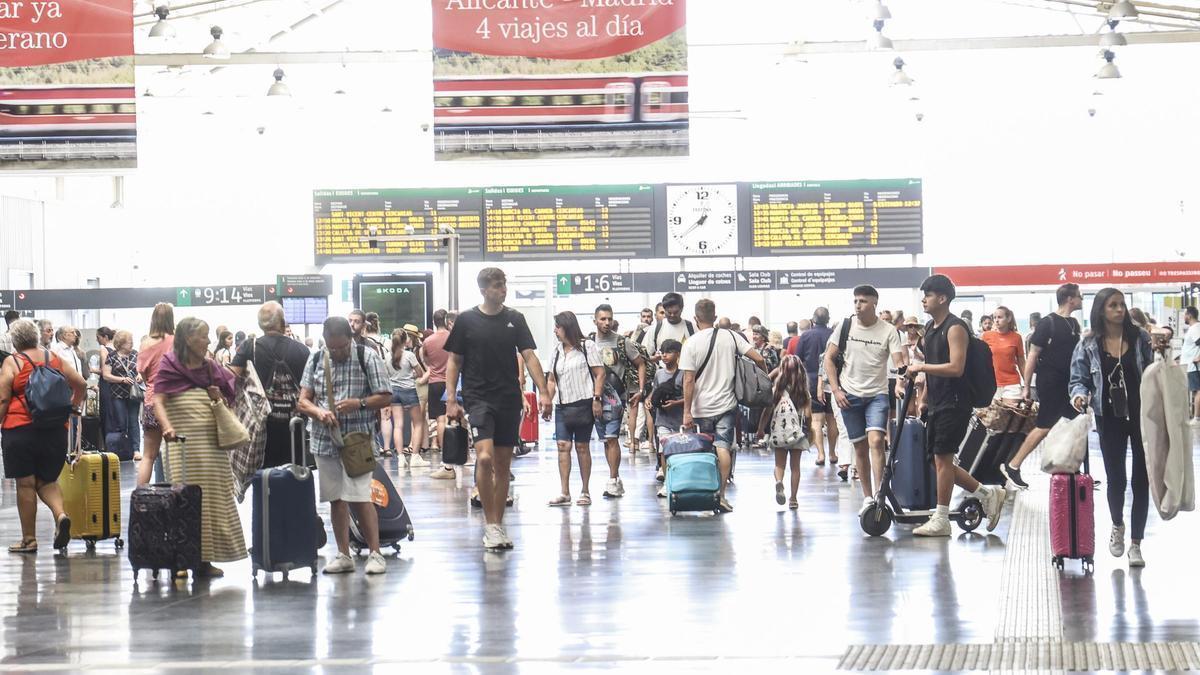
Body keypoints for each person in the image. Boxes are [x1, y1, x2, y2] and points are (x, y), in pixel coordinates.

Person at [446, 268, 551, 550]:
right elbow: (454, 361)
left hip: (508, 399)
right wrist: (451, 400)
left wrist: (543, 392)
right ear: (483, 290)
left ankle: (497, 525)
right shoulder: (467, 320)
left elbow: (529, 356)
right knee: (484, 458)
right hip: (478, 397)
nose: (502, 290)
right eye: (496, 286)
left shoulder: (515, 319)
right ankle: (490, 525)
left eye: (503, 284)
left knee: (503, 464)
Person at [907, 275, 1007, 537]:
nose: (924, 299)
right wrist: (924, 397)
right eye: (923, 295)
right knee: (936, 460)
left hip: (956, 403)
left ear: (943, 298)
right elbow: (933, 368)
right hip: (938, 401)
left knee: (942, 458)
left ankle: (941, 518)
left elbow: (955, 367)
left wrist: (920, 367)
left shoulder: (955, 328)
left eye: (928, 295)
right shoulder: (929, 329)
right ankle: (987, 493)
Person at [151, 317, 248, 578]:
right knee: (183, 500)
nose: (207, 341)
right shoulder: (170, 365)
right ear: (188, 339)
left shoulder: (210, 367)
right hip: (182, 444)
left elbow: (228, 396)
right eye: (203, 336)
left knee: (212, 500)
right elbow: (158, 400)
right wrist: (167, 427)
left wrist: (216, 397)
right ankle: (182, 559)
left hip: (211, 445)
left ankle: (204, 560)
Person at [297, 316, 392, 574]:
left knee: (361, 496)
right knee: (335, 499)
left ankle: (375, 553)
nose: (337, 352)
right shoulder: (316, 358)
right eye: (332, 347)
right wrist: (318, 412)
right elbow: (303, 400)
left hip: (358, 441)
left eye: (341, 347)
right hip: (323, 440)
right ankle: (343, 553)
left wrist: (358, 403)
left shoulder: (367, 356)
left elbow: (385, 396)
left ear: (350, 338)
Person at [1069, 288, 1153, 567]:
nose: (1120, 310)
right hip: (1109, 418)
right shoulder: (1089, 343)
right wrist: (1080, 394)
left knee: (1142, 479)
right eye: (1113, 305)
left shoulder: (1139, 338)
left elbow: (1153, 371)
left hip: (1143, 416)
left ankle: (1137, 544)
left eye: (1122, 305)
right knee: (1116, 478)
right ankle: (1117, 524)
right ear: (1101, 310)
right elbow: (1078, 378)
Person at [0, 319, 87, 553]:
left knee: (26, 484)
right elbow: (81, 383)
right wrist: (73, 407)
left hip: (20, 429)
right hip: (55, 429)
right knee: (47, 480)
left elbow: (4, 398)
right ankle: (60, 516)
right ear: (36, 336)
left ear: (15, 341)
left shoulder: (13, 361)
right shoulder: (54, 359)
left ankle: (29, 539)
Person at [823, 286, 907, 512]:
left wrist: (901, 380)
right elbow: (829, 360)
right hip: (849, 395)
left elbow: (900, 362)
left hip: (877, 395)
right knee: (859, 448)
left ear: (874, 304)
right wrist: (836, 390)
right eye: (855, 301)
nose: (858, 305)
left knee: (877, 441)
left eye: (863, 301)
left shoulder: (889, 331)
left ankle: (881, 495)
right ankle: (868, 498)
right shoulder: (845, 326)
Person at [680, 299, 767, 513]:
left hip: (701, 408)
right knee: (723, 447)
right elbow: (758, 358)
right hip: (727, 404)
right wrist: (757, 378)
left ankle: (706, 493)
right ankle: (721, 495)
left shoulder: (690, 343)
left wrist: (686, 412)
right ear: (715, 317)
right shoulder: (730, 336)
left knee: (706, 451)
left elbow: (688, 380)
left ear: (695, 318)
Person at [1001, 284, 1085, 489]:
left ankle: (1071, 468)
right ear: (1069, 299)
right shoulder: (1048, 323)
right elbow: (1032, 355)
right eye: (1079, 296)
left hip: (1069, 383)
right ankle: (1013, 465)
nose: (1081, 299)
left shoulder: (1074, 323)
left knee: (1072, 424)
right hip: (1051, 382)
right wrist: (1026, 386)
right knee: (1044, 425)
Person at [229, 301, 313, 468]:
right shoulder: (302, 350)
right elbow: (312, 390)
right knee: (294, 472)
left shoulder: (249, 347)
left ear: (261, 324)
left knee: (264, 476)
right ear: (282, 322)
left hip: (261, 426)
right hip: (294, 425)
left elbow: (230, 379)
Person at [545, 311, 604, 507]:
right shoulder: (556, 351)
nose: (555, 330)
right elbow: (552, 380)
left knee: (582, 447)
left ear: (567, 327)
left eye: (557, 326)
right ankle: (564, 492)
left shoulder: (587, 346)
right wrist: (546, 400)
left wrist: (597, 398)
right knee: (563, 446)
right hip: (562, 406)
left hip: (584, 404)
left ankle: (585, 491)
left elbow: (600, 373)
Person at [592, 304, 645, 497]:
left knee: (612, 439)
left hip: (616, 399)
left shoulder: (622, 342)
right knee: (606, 440)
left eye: (609, 318)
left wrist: (639, 389)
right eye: (603, 319)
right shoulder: (589, 343)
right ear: (595, 320)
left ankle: (613, 479)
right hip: (595, 399)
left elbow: (640, 363)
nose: (607, 322)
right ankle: (614, 478)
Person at [757, 354, 812, 510]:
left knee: (779, 465)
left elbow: (767, 412)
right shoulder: (803, 392)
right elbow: (808, 415)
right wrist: (810, 430)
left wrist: (761, 428)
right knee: (795, 467)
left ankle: (779, 482)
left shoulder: (776, 390)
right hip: (797, 434)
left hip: (779, 433)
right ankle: (793, 499)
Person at [136, 303, 175, 486]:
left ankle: (140, 495)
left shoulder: (145, 343)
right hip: (174, 402)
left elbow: (142, 374)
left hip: (152, 400)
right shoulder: (177, 341)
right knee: (175, 454)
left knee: (148, 455)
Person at [798, 307, 837, 467]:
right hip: (832, 380)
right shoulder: (834, 335)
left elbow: (798, 358)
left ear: (813, 320)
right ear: (828, 320)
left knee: (816, 419)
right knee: (832, 418)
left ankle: (820, 454)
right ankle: (833, 453)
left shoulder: (806, 335)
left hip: (811, 380)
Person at [387, 329, 429, 469]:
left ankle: (400, 457)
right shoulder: (409, 355)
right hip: (409, 391)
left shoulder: (387, 356)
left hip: (394, 392)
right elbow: (420, 373)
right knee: (417, 423)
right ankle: (415, 456)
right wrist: (410, 375)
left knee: (398, 425)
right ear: (405, 340)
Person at [424, 310, 459, 479]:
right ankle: (461, 455)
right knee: (454, 420)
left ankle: (446, 459)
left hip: (434, 382)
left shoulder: (428, 341)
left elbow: (426, 360)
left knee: (440, 419)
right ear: (446, 320)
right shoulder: (453, 337)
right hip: (452, 382)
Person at [648, 339, 685, 498]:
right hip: (662, 419)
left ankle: (681, 481)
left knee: (680, 451)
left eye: (668, 352)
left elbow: (691, 396)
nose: (664, 355)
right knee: (664, 450)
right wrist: (650, 400)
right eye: (662, 352)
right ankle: (667, 482)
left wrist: (676, 403)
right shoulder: (659, 373)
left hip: (680, 419)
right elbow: (655, 391)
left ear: (677, 354)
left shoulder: (684, 374)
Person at [102, 330, 142, 461]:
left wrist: (140, 376)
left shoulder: (136, 354)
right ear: (122, 343)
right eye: (129, 341)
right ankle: (124, 449)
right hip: (118, 394)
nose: (132, 343)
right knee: (121, 422)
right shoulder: (112, 356)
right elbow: (106, 375)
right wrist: (122, 380)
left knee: (133, 421)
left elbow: (141, 370)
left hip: (133, 394)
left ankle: (136, 450)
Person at [981, 306, 1025, 403]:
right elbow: (980, 360)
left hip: (1011, 383)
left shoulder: (1016, 337)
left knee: (1011, 415)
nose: (996, 320)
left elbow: (1021, 362)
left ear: (1008, 319)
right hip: (992, 383)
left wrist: (1027, 385)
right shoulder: (986, 336)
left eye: (1000, 317)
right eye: (995, 317)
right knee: (993, 417)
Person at [642, 292, 695, 362]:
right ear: (664, 309)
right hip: (661, 371)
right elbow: (643, 355)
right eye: (669, 313)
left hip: (686, 371)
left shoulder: (691, 328)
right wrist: (654, 358)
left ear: (681, 309)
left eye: (676, 312)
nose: (672, 315)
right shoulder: (655, 328)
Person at [1181, 306, 1200, 426]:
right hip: (1191, 366)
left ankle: (1197, 417)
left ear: (1189, 315)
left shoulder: (1195, 328)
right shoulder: (1194, 328)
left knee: (1198, 391)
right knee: (1196, 391)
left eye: (1184, 314)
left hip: (1194, 367)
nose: (1184, 317)